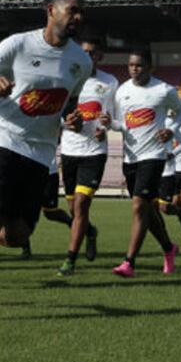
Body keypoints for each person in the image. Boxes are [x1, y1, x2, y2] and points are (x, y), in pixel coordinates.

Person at [0, 0, 92, 327]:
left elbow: (67, 102)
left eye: (80, 11)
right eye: (72, 10)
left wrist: (70, 120)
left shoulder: (81, 60)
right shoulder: (18, 43)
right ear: (50, 10)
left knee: (18, 236)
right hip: (3, 140)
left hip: (41, 153)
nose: (78, 17)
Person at [108, 50, 181, 278]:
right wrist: (108, 123)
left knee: (139, 205)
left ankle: (129, 262)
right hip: (130, 157)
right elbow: (121, 124)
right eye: (131, 65)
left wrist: (171, 129)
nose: (134, 69)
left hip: (153, 156)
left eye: (139, 65)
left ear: (150, 67)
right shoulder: (122, 91)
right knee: (147, 209)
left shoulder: (163, 90)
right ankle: (168, 249)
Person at [56, 36, 115, 276]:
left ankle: (70, 260)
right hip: (69, 151)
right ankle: (90, 232)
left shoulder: (110, 82)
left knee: (80, 205)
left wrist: (106, 128)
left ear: (100, 56)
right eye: (85, 52)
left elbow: (111, 116)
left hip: (94, 152)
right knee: (73, 208)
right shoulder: (66, 79)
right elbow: (56, 113)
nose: (88, 57)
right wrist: (66, 123)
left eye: (93, 52)